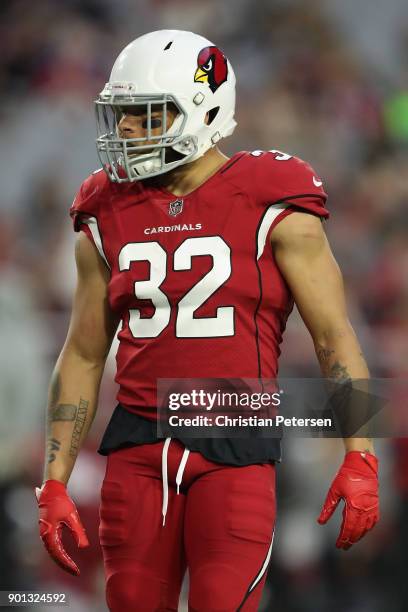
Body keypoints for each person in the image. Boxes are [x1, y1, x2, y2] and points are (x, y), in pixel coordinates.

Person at [35, 30, 379, 611]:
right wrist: (55, 478)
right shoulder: (104, 206)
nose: (125, 132)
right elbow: (84, 353)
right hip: (137, 448)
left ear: (202, 108)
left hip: (235, 445)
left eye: (145, 116)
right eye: (122, 117)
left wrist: (361, 452)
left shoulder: (272, 193)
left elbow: (333, 335)